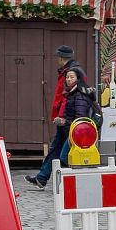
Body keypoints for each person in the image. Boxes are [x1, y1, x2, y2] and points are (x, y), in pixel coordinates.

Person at [27, 59, 93, 189]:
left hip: (74, 132)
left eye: (72, 77)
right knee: (54, 151)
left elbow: (80, 119)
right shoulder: (69, 92)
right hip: (65, 127)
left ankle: (68, 186)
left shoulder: (80, 94)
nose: (68, 79)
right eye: (67, 77)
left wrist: (64, 121)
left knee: (63, 156)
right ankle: (42, 179)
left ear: (78, 78)